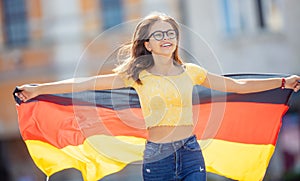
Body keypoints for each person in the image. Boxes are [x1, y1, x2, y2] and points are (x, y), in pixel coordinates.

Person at [15, 12, 300, 181]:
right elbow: (85, 82)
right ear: (147, 44)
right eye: (158, 34)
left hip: (190, 152)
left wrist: (283, 81)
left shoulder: (191, 72)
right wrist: (39, 89)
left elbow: (237, 87)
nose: (167, 37)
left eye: (171, 33)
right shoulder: (137, 74)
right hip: (157, 156)